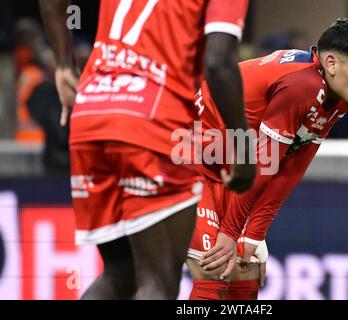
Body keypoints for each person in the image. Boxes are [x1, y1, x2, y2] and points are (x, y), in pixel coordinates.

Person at [39, 0, 255, 300]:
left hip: (91, 113)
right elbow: (219, 64)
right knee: (158, 280)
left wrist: (63, 63)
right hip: (150, 121)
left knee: (120, 274)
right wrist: (243, 146)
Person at [186, 18, 348, 300]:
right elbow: (267, 165)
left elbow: (291, 168)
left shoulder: (338, 96)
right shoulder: (301, 85)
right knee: (214, 270)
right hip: (192, 161)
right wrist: (231, 233)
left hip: (234, 170)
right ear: (331, 64)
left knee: (246, 271)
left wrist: (253, 235)